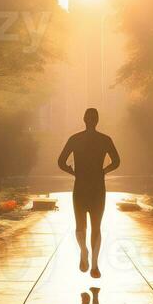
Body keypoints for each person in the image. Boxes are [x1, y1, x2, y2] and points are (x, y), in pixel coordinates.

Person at [57, 108, 121, 278]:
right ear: (97, 120)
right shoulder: (105, 140)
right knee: (96, 227)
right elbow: (116, 161)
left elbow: (61, 162)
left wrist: (73, 172)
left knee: (80, 225)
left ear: (84, 119)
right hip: (98, 187)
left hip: (80, 186)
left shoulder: (75, 139)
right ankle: (94, 265)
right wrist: (104, 171)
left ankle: (84, 252)